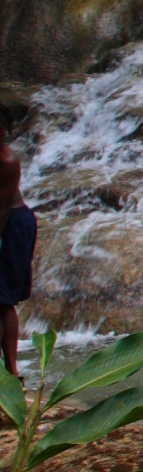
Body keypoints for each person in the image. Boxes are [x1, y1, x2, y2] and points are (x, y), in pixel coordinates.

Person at [0, 110, 32, 377]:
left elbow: (1, 209)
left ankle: (11, 370)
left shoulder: (7, 160)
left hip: (11, 224)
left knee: (3, 301)